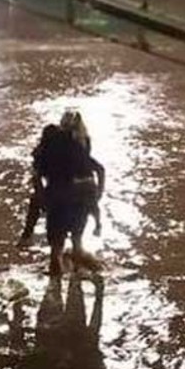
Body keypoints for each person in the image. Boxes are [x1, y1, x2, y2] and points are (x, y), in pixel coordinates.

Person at [33, 111, 106, 275]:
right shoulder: (81, 148)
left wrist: (42, 198)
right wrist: (98, 194)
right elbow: (100, 170)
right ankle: (81, 274)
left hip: (57, 196)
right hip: (82, 196)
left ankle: (54, 286)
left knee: (56, 249)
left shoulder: (48, 148)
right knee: (77, 239)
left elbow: (37, 176)